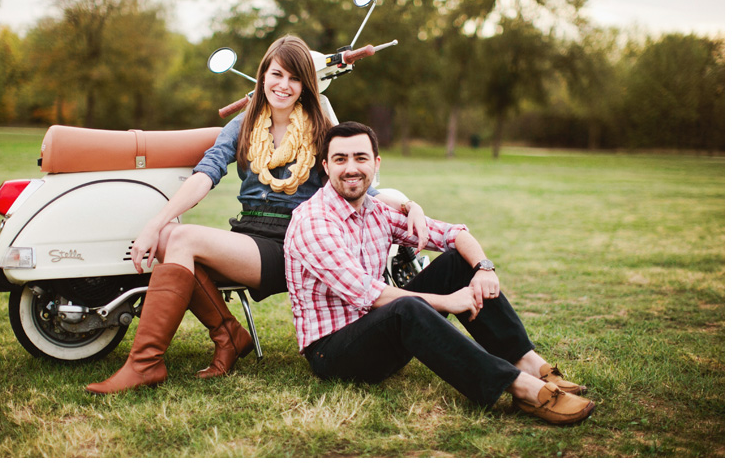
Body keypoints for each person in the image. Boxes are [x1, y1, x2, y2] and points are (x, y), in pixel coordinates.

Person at [86, 37, 429, 395]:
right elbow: (207, 173)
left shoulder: (320, 128)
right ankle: (229, 337)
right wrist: (155, 223)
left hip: (296, 243)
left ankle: (145, 364)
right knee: (166, 237)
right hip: (249, 234)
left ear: (305, 85)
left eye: (295, 78)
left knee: (182, 238)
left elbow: (361, 189)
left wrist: (408, 206)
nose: (283, 85)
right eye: (277, 74)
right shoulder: (245, 123)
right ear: (262, 75)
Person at [284, 121, 595, 425]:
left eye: (360, 158)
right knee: (405, 309)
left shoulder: (376, 211)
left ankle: (527, 362)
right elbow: (369, 293)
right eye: (340, 159)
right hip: (333, 353)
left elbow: (453, 234)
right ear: (325, 166)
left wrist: (484, 268)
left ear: (376, 164)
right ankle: (521, 388)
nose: (351, 168)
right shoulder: (314, 221)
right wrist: (448, 302)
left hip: (376, 329)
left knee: (457, 261)